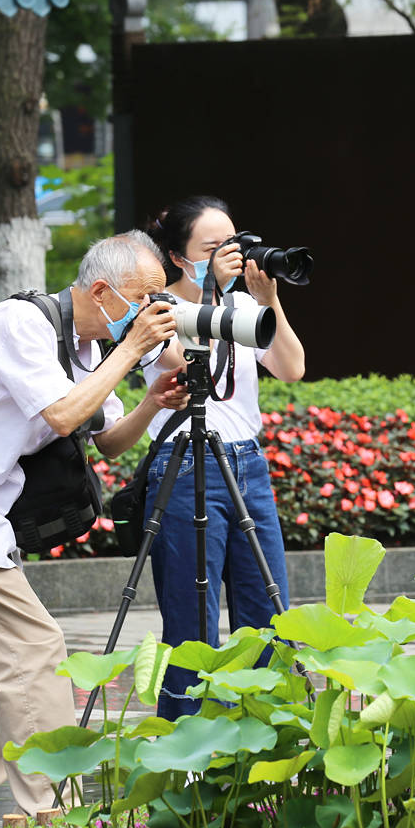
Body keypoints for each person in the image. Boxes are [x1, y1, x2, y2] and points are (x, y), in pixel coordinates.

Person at [0, 231, 187, 826]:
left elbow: (107, 437)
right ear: (102, 291)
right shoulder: (19, 324)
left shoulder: (89, 347)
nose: (152, 311)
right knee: (37, 653)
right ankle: (56, 816)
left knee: (0, 671)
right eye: (145, 297)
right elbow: (61, 414)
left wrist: (152, 401)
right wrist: (131, 354)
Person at [143, 197, 305, 720]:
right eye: (212, 249)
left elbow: (292, 367)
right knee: (193, 623)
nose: (228, 256)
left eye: (233, 245)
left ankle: (260, 752)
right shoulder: (153, 309)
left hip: (248, 465)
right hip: (186, 465)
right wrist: (212, 290)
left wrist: (268, 300)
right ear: (177, 255)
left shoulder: (242, 308)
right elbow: (186, 365)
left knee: (266, 612)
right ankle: (183, 766)